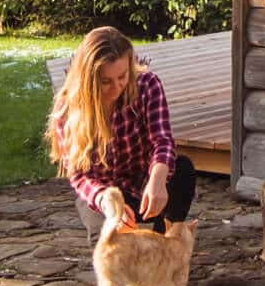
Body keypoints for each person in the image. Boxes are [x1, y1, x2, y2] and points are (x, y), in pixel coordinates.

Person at [46, 25, 196, 238]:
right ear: (88, 79)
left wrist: (158, 180)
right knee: (107, 247)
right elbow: (79, 175)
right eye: (105, 81)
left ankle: (164, 239)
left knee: (182, 169)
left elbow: (162, 141)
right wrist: (105, 201)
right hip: (104, 194)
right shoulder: (68, 107)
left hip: (143, 184)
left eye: (122, 76)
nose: (116, 87)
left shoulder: (147, 85)